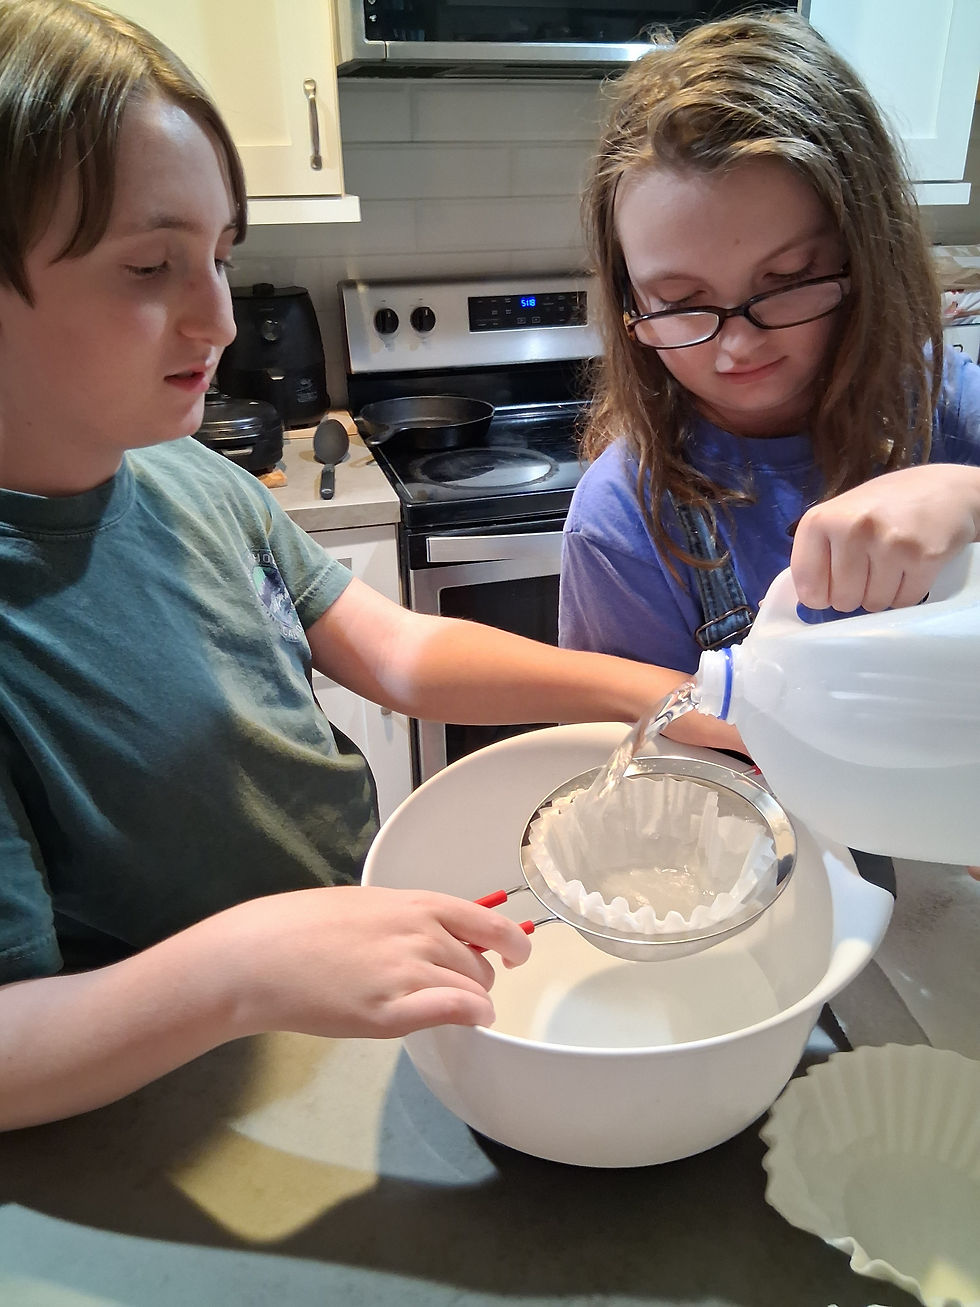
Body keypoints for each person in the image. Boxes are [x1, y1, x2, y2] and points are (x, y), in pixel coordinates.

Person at [0, 0, 681, 1132]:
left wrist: (655, 695)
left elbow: (397, 648)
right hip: (175, 1102)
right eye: (148, 265)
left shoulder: (189, 477)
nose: (217, 317)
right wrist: (245, 964)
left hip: (320, 1003)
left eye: (221, 256)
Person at [560, 11, 980, 762]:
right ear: (631, 307)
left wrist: (967, 494)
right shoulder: (623, 523)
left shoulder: (942, 400)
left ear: (865, 252)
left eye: (787, 282)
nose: (738, 343)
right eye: (682, 303)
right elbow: (645, 779)